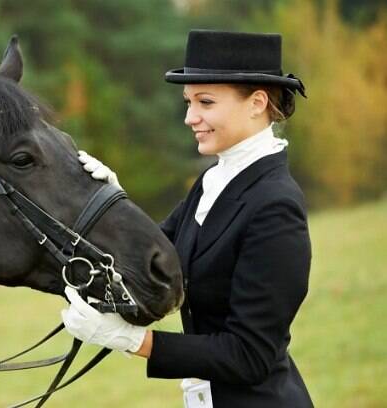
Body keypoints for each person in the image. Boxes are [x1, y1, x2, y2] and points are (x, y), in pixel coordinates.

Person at [61, 29, 313, 407]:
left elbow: (250, 356)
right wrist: (110, 199)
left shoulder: (276, 206)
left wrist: (132, 341)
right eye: (188, 102)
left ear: (257, 102)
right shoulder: (215, 179)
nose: (190, 117)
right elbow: (158, 255)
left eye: (205, 102)